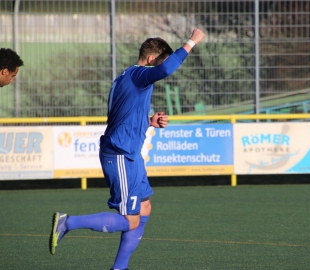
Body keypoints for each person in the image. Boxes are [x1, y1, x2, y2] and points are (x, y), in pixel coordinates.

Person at [49, 28, 206, 270]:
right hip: (120, 155)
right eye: (158, 64)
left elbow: (121, 115)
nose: (158, 71)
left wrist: (149, 121)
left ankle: (119, 268)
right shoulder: (139, 74)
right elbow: (165, 69)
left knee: (144, 207)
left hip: (129, 154)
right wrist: (192, 42)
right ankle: (67, 223)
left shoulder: (125, 77)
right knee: (130, 220)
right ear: (151, 60)